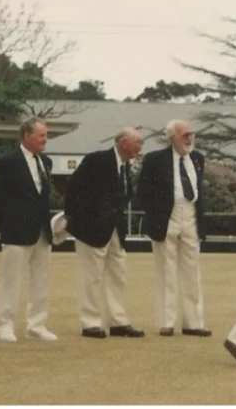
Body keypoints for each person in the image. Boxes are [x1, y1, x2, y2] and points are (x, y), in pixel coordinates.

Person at [65, 128, 145, 339]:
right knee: (91, 278)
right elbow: (73, 188)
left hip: (114, 231)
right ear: (122, 142)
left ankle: (118, 321)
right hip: (91, 230)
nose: (140, 147)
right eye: (138, 142)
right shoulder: (97, 160)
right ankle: (90, 323)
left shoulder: (126, 167)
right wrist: (74, 218)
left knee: (118, 275)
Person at [135, 119, 211, 337]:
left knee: (191, 269)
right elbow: (143, 192)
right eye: (185, 135)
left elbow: (198, 190)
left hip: (190, 214)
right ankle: (166, 322)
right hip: (167, 216)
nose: (190, 139)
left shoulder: (197, 158)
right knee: (166, 270)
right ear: (172, 138)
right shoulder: (154, 159)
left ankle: (194, 322)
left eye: (191, 135)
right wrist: (157, 214)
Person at [0, 116, 58, 342]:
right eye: (41, 135)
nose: (45, 140)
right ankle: (4, 325)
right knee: (10, 281)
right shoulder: (7, 162)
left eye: (46, 135)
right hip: (16, 232)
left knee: (41, 280)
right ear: (27, 136)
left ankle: (37, 325)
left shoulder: (46, 163)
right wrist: (6, 227)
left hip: (42, 231)